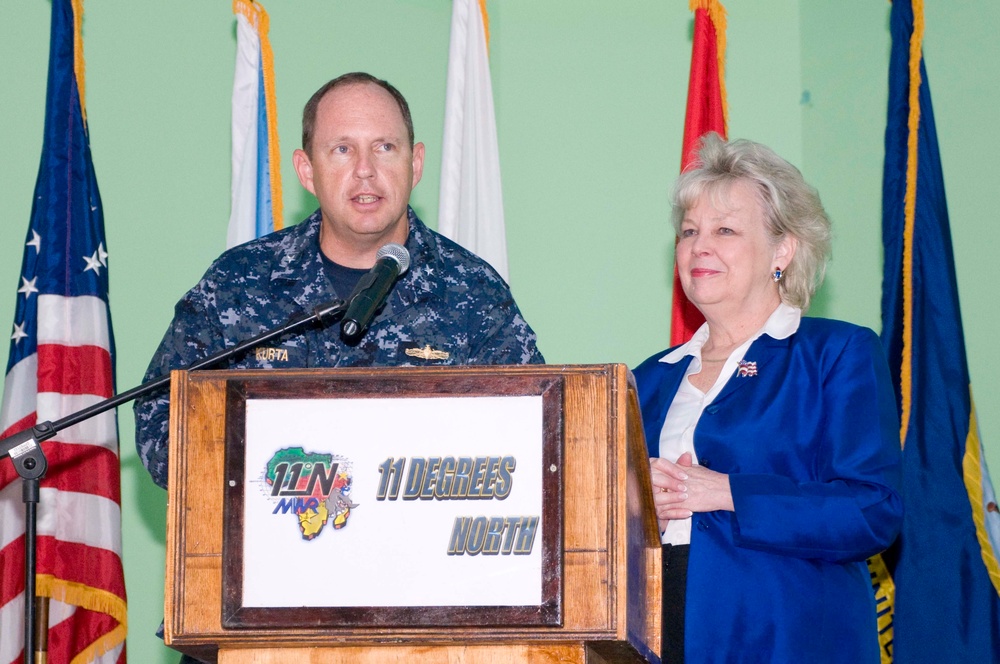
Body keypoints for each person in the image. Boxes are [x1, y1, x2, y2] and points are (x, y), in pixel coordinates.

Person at [134, 72, 544, 490]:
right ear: (307, 171)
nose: (365, 170)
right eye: (342, 149)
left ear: (415, 164)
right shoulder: (237, 282)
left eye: (385, 147)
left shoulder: (473, 290)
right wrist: (274, 484)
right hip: (273, 543)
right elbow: (161, 420)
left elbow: (533, 434)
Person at [633, 134, 902, 664]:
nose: (699, 246)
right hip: (661, 633)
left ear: (783, 249)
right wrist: (645, 511)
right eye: (689, 232)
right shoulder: (648, 379)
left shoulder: (835, 354)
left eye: (725, 230)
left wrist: (732, 492)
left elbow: (873, 510)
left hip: (789, 639)